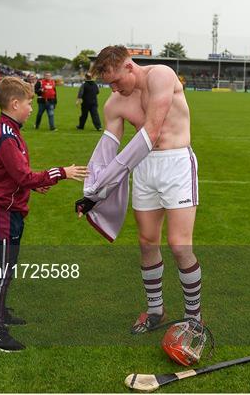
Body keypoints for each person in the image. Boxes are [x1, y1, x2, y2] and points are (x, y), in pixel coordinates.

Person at [75, 45, 203, 334]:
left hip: (176, 164)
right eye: (109, 84)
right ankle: (155, 310)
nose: (115, 88)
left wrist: (109, 182)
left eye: (117, 81)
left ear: (129, 67)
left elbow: (152, 131)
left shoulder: (161, 75)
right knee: (147, 242)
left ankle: (194, 317)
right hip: (144, 168)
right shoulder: (114, 103)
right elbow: (106, 152)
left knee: (179, 244)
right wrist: (93, 192)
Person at [0, 76, 88, 352]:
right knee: (2, 271)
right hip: (3, 212)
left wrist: (33, 185)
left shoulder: (12, 130)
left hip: (10, 209)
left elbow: (15, 176)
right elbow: (23, 175)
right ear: (14, 104)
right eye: (29, 102)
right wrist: (62, 172)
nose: (32, 107)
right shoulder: (6, 135)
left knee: (6, 268)